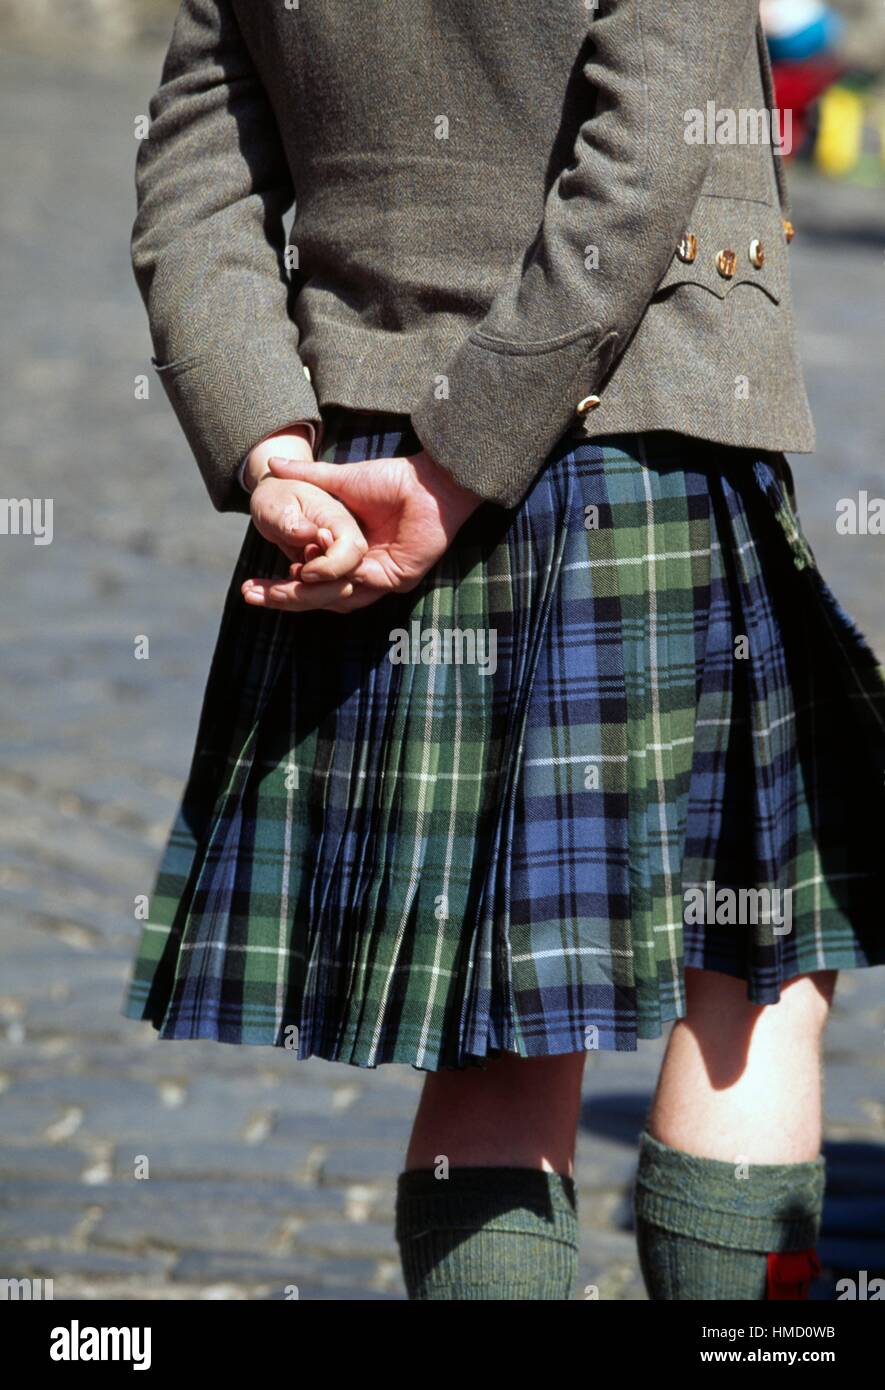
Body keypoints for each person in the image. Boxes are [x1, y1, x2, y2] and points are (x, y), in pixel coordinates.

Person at [123, 0, 885, 1301]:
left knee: (499, 1041)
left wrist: (270, 443)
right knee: (748, 982)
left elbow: (193, 174)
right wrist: (460, 465)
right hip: (639, 440)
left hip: (354, 462)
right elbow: (639, 161)